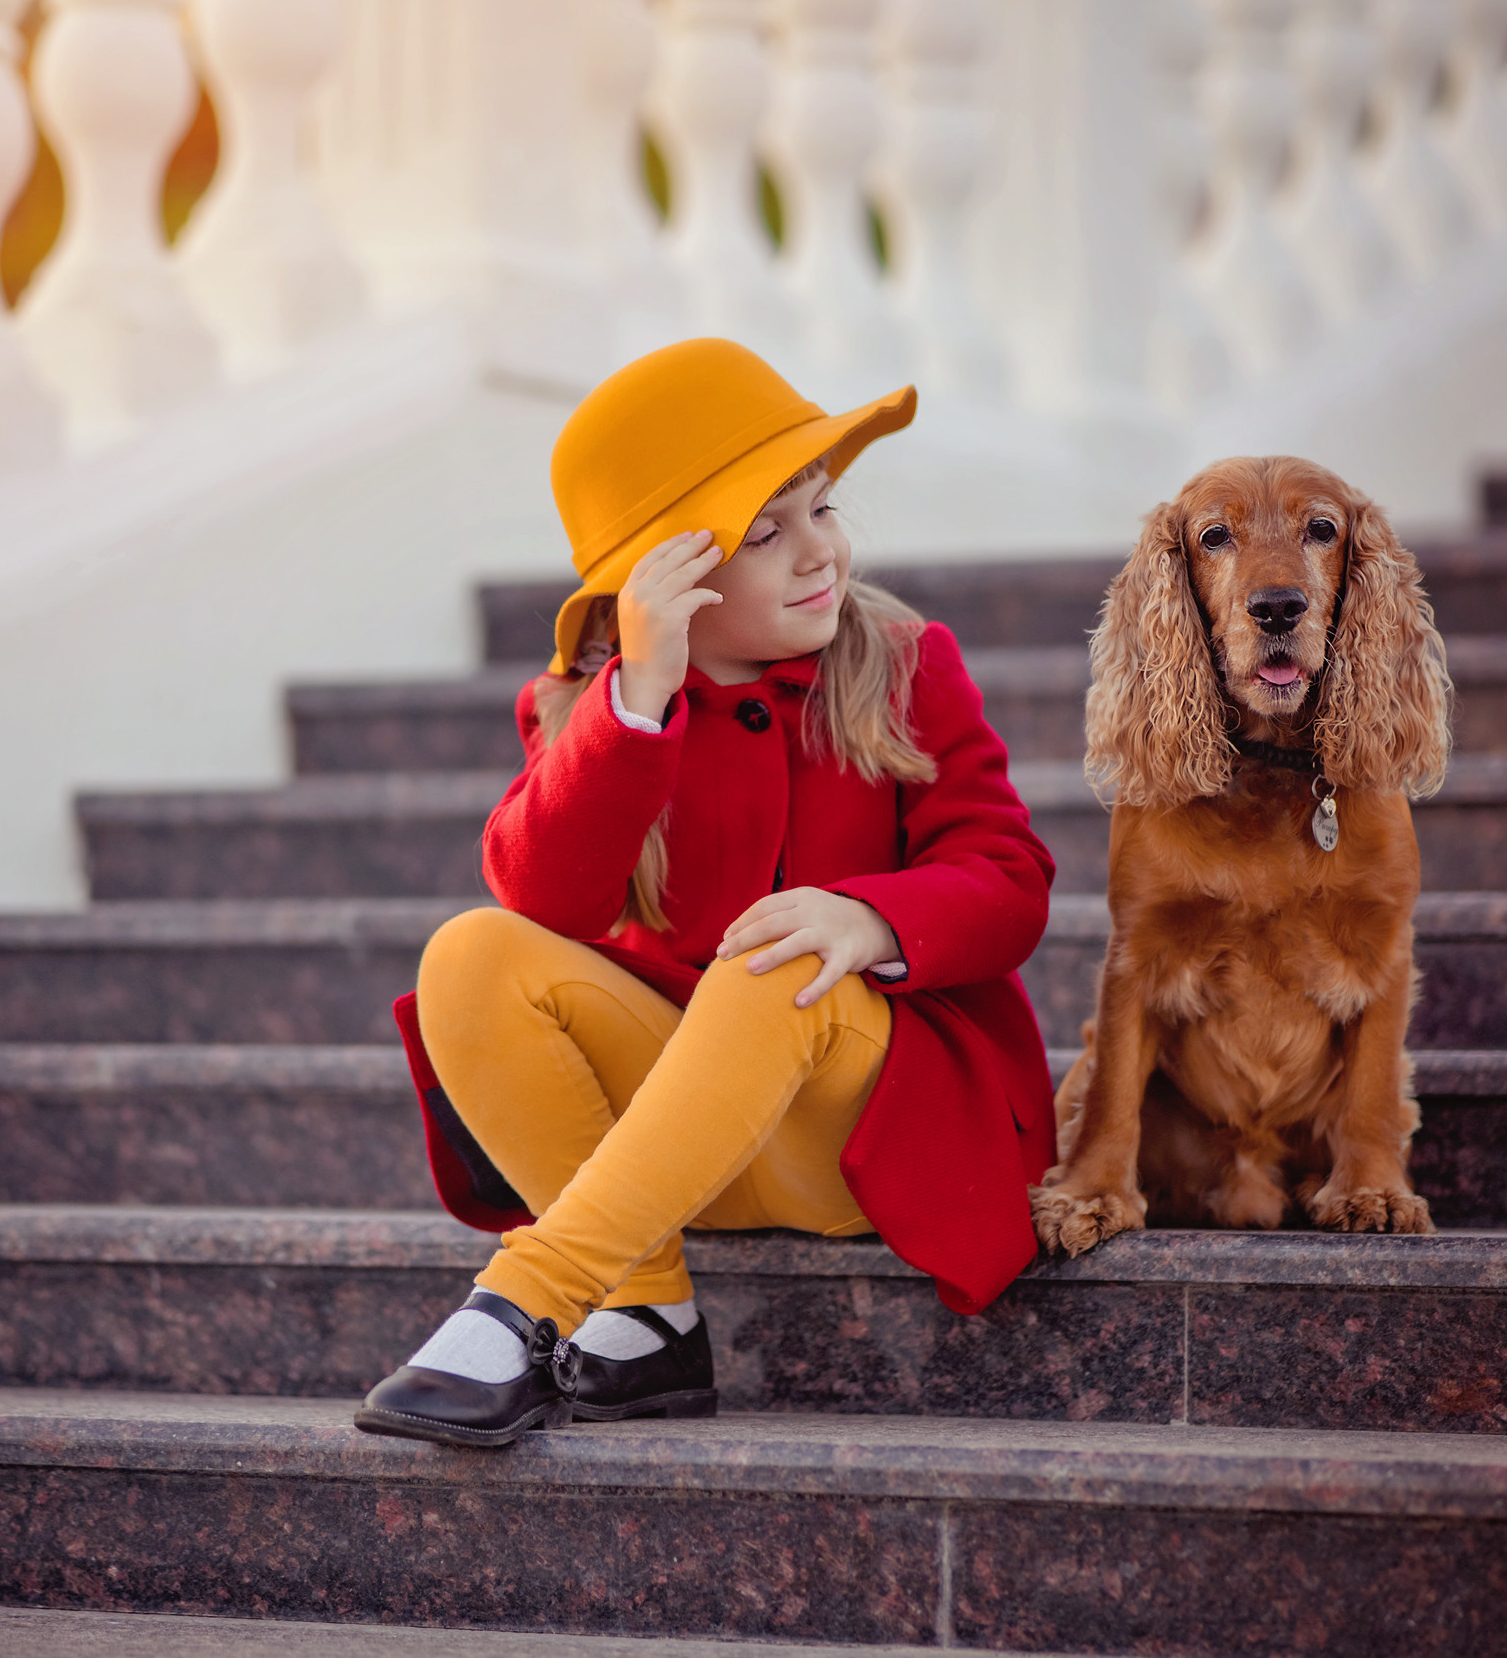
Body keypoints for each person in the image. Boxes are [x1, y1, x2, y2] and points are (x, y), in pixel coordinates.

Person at [355, 338, 1057, 1448]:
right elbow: (548, 902)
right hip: (683, 1140)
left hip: (867, 1131)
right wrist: (637, 699)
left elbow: (1010, 882)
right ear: (666, 582)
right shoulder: (598, 709)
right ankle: (644, 1313)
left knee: (777, 957)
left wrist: (870, 919)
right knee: (469, 951)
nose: (819, 552)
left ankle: (530, 1299)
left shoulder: (903, 660)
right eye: (766, 534)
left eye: (820, 511)